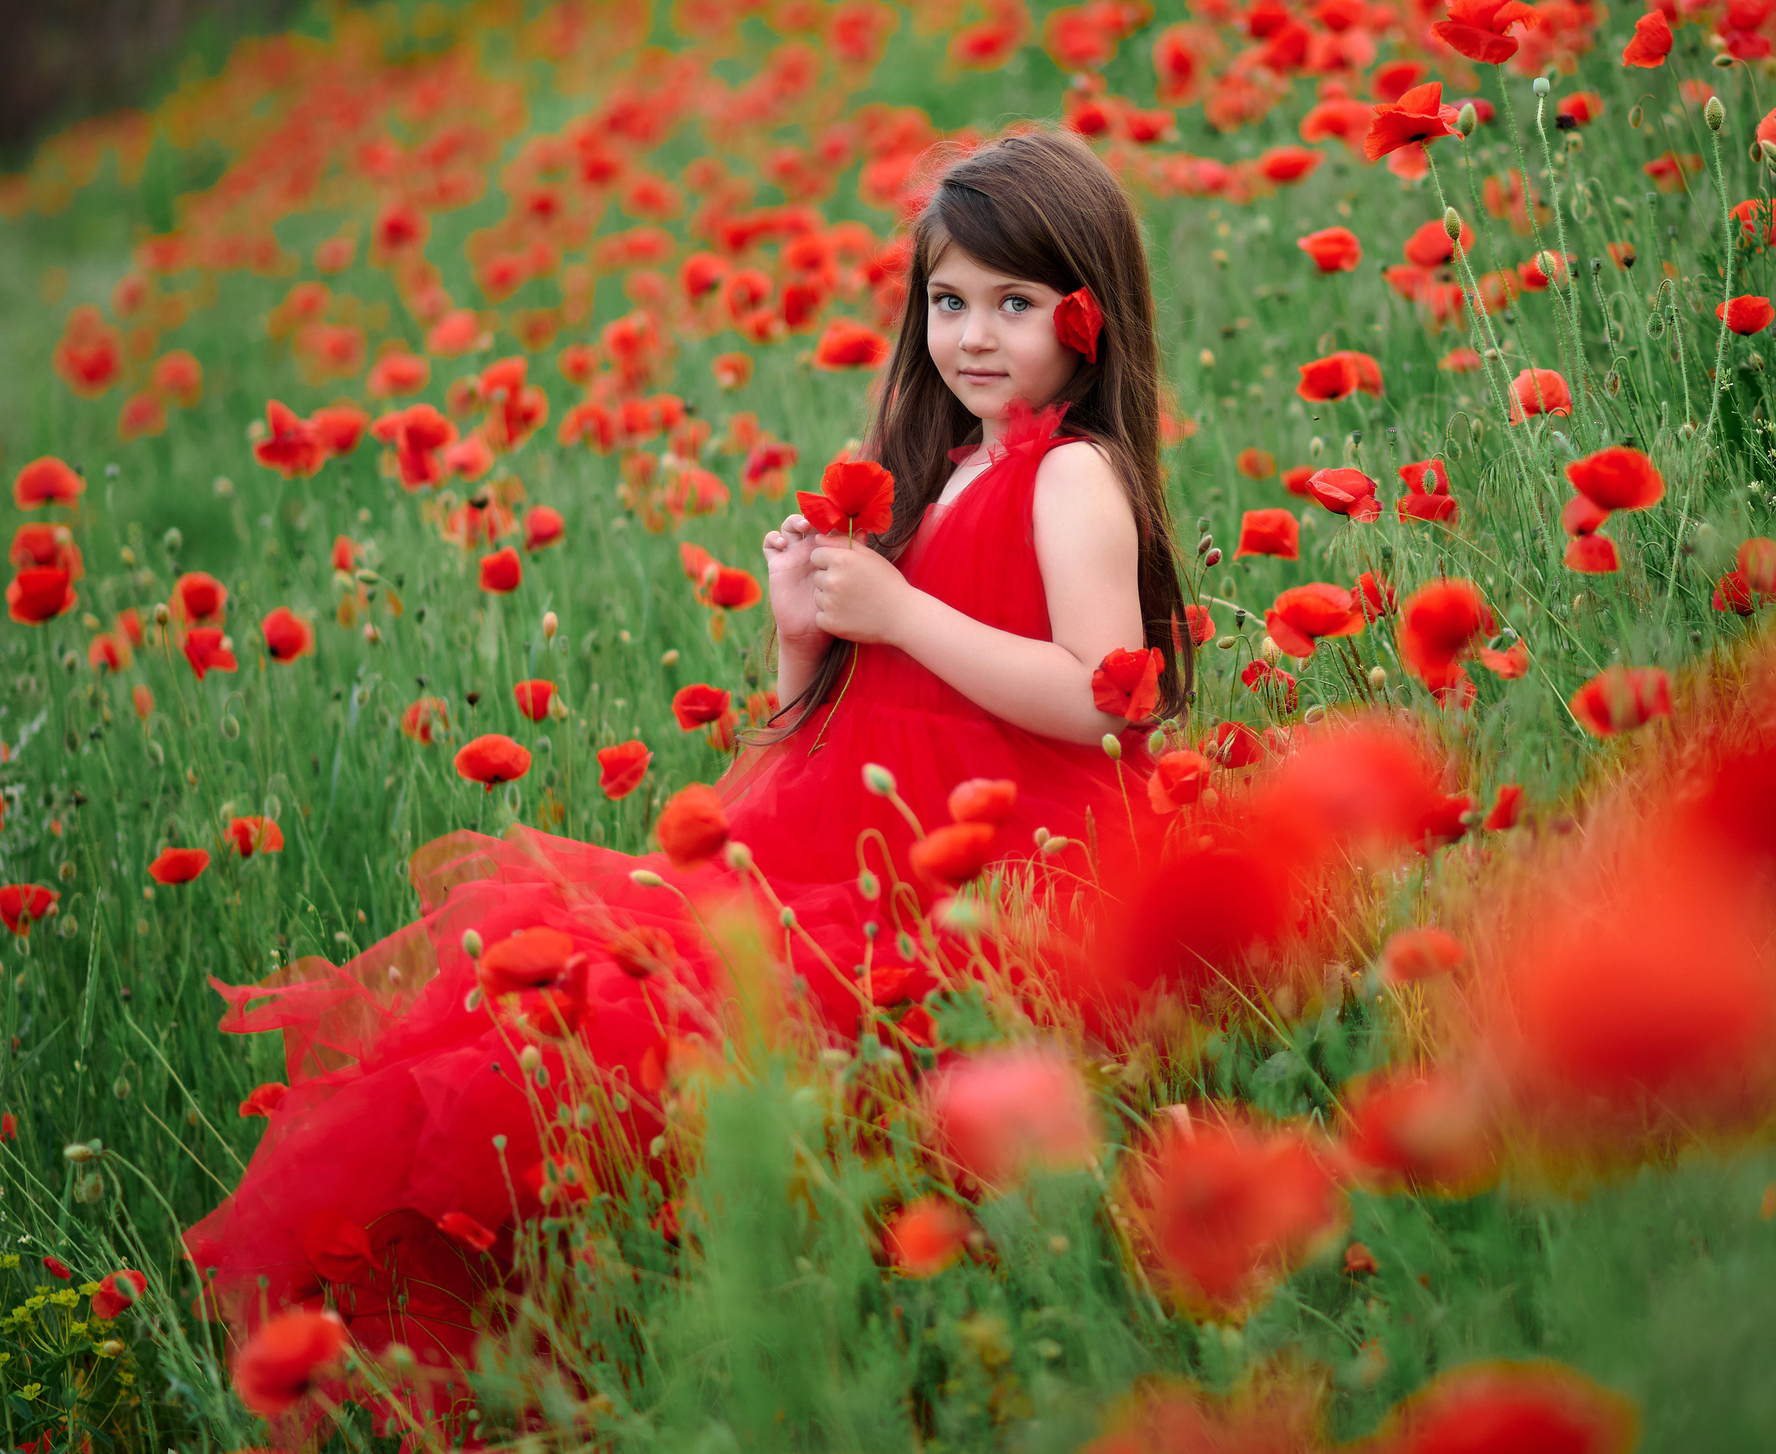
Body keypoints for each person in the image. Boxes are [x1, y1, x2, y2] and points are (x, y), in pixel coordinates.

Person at [180, 128, 1198, 1384]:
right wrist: (805, 635)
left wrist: (900, 611)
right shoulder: (943, 474)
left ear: (1090, 314)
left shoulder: (1074, 476)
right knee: (575, 1013)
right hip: (861, 856)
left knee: (690, 1037)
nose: (974, 335)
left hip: (1001, 882)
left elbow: (1104, 701)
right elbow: (829, 730)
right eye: (949, 301)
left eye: (1015, 303)